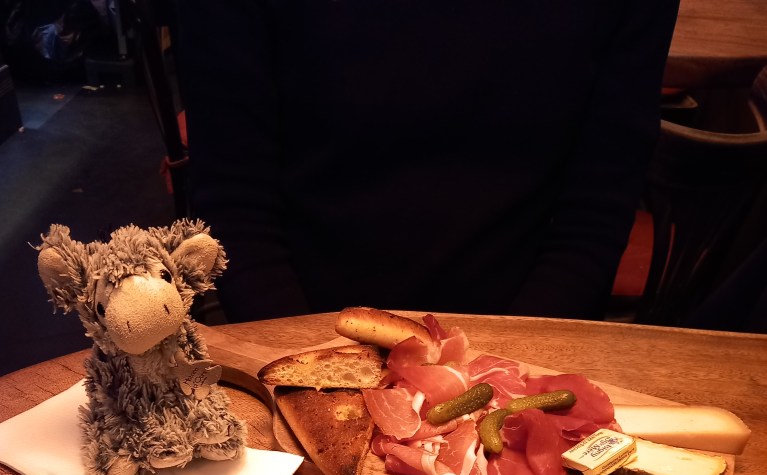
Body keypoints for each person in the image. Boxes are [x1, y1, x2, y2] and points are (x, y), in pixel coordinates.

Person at [175, 0, 680, 325]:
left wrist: (507, 373)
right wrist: (310, 368)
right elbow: (235, 198)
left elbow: (597, 205)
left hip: (521, 327)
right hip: (301, 315)